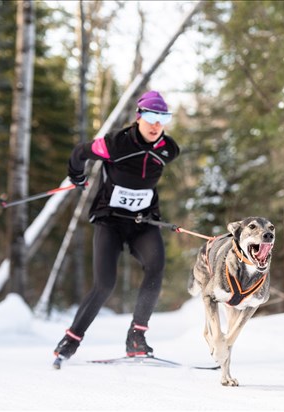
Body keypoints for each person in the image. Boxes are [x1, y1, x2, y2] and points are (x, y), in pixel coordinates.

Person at [54, 90, 180, 360]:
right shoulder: (114, 144)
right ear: (138, 117)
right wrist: (77, 175)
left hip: (143, 220)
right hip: (110, 220)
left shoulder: (169, 149)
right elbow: (80, 153)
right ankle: (71, 340)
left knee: (156, 267)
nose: (156, 125)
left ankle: (137, 337)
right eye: (150, 117)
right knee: (105, 283)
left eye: (163, 118)